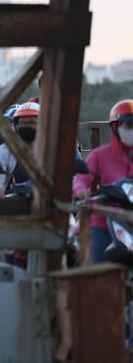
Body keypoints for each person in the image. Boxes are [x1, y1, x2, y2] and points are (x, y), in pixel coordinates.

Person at [74, 99, 133, 264]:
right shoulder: (99, 155)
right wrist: (81, 190)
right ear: (115, 127)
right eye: (128, 127)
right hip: (105, 221)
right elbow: (81, 180)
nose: (132, 131)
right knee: (99, 269)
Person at [0, 102, 40, 199]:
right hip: (13, 205)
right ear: (16, 126)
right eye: (23, 123)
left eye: (32, 122)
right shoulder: (5, 150)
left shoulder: (52, 150)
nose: (27, 126)